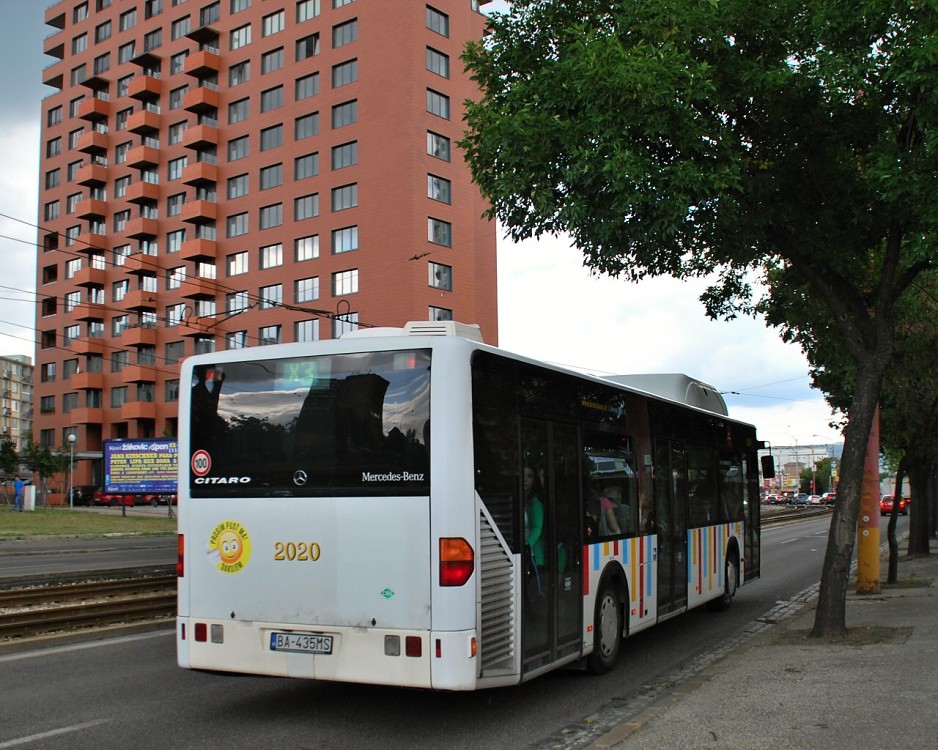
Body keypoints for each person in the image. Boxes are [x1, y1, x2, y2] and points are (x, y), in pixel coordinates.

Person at [523, 466, 545, 570]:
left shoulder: (535, 502)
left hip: (532, 554)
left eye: (529, 476)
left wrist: (526, 546)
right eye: (522, 475)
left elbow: (537, 528)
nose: (525, 479)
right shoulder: (517, 499)